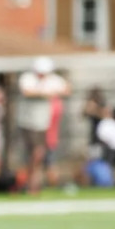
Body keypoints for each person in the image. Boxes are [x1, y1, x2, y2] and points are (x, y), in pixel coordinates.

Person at [17, 56, 70, 192]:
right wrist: (44, 93)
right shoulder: (28, 78)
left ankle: (33, 183)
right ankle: (30, 182)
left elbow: (67, 89)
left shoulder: (52, 80)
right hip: (27, 122)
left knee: (38, 153)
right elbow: (27, 92)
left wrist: (53, 92)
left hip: (42, 124)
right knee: (33, 154)